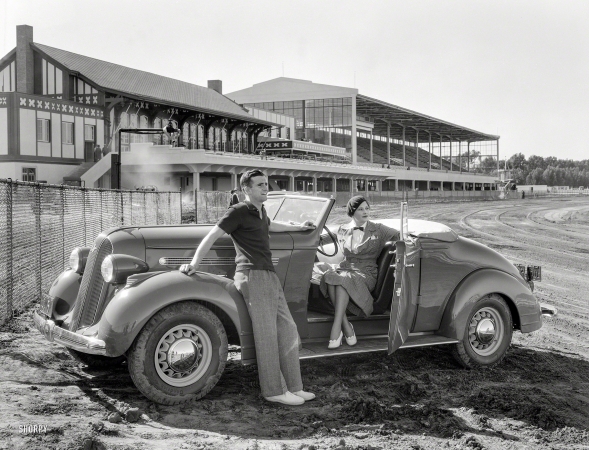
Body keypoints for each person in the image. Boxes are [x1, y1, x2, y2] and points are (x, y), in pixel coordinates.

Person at [179, 169, 316, 406]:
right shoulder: (239, 210)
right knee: (267, 334)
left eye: (266, 184)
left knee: (288, 329)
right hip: (252, 275)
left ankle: (295, 386)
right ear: (246, 189)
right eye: (261, 185)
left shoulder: (261, 211)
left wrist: (299, 227)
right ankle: (273, 390)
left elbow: (272, 227)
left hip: (268, 275)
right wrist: (193, 264)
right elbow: (213, 234)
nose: (266, 188)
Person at [318, 195, 399, 349]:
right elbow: (319, 239)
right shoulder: (342, 230)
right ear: (352, 212)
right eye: (360, 209)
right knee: (330, 275)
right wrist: (305, 228)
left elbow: (401, 234)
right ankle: (346, 326)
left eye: (367, 208)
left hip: (367, 273)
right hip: (346, 269)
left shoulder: (379, 229)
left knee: (342, 279)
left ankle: (337, 328)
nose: (365, 212)